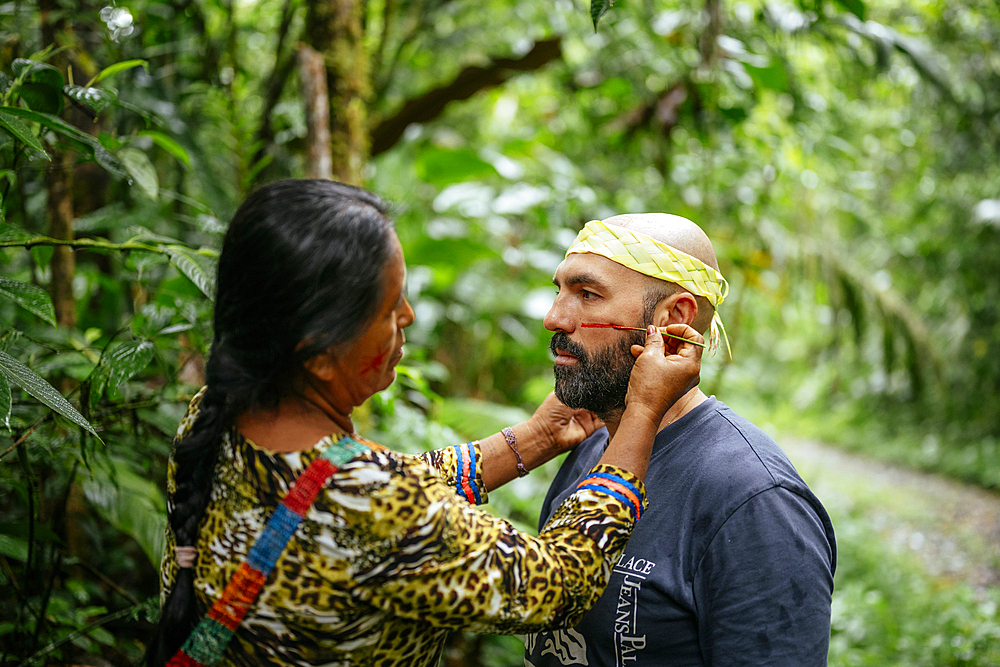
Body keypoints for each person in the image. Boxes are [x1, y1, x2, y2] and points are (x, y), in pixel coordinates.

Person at [146, 180, 705, 667]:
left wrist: (533, 439)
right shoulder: (376, 508)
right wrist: (641, 414)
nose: (408, 317)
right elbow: (561, 581)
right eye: (389, 308)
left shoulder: (215, 414)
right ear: (316, 351)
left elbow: (357, 490)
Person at [524, 214, 836, 667]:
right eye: (560, 291)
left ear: (672, 319)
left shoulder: (755, 502)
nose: (554, 318)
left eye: (588, 295)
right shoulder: (591, 450)